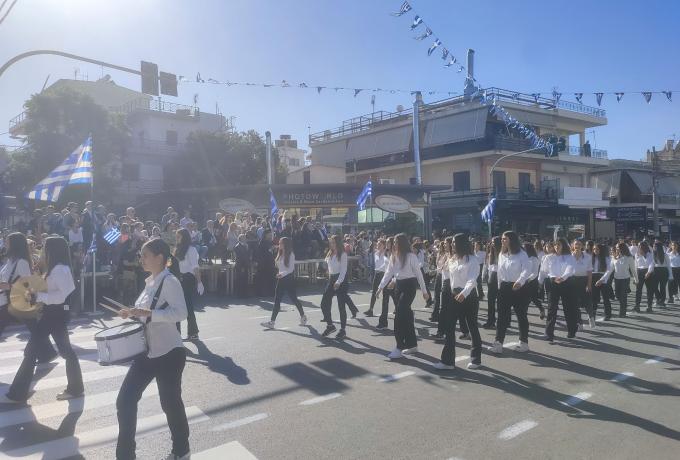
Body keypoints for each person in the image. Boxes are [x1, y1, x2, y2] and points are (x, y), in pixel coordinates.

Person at [115, 238, 190, 460]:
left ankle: (181, 450)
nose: (141, 258)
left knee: (170, 403)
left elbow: (181, 313)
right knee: (125, 400)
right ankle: (125, 455)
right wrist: (131, 313)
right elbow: (144, 313)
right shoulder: (150, 281)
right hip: (147, 353)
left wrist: (149, 314)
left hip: (169, 354)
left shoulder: (170, 281)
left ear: (159, 258)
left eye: (145, 255)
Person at [3, 236, 83, 403]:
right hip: (52, 315)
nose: (41, 250)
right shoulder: (55, 268)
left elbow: (61, 296)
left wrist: (39, 295)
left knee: (32, 352)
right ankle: (76, 389)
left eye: (45, 247)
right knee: (66, 351)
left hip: (55, 314)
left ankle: (18, 394)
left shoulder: (61, 269)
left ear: (52, 250)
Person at [433, 233, 482, 370]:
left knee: (472, 326)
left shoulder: (472, 260)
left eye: (454, 242)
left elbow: (472, 280)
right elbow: (447, 278)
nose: (452, 244)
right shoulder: (452, 259)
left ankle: (476, 358)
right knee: (449, 327)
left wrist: (464, 293)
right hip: (454, 296)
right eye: (452, 242)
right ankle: (448, 362)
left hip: (469, 296)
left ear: (462, 244)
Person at [377, 233, 429, 359]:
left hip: (409, 287)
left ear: (401, 243)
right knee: (406, 317)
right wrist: (380, 287)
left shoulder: (411, 256)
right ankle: (412, 345)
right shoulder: (394, 256)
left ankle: (399, 346)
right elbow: (389, 273)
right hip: (399, 287)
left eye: (395, 242)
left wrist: (424, 291)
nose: (393, 244)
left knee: (399, 315)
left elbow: (418, 274)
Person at [488, 231, 531, 354]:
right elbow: (500, 273)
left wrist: (520, 281)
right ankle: (498, 343)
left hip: (519, 288)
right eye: (502, 239)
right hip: (504, 287)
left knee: (521, 315)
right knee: (501, 316)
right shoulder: (502, 254)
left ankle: (524, 342)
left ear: (511, 240)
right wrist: (499, 286)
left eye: (504, 239)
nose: (502, 241)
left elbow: (526, 270)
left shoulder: (522, 254)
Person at [261, 237, 306, 328]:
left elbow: (290, 269)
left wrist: (281, 274)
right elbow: (278, 265)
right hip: (281, 279)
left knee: (294, 299)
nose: (279, 244)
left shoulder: (291, 254)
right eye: (279, 243)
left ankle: (303, 316)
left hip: (289, 279)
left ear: (286, 244)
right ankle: (272, 322)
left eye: (281, 243)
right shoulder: (280, 253)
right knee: (277, 300)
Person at [0, 233, 36, 339]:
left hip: (14, 302)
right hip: (6, 301)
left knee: (35, 328)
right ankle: (45, 352)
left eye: (7, 242)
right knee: (35, 329)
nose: (4, 244)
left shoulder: (21, 262)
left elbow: (28, 286)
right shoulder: (10, 261)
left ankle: (44, 352)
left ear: (14, 244)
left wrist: (9, 286)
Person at [542, 238, 578, 342]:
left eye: (559, 244)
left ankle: (572, 331)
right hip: (553, 283)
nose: (557, 246)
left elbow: (570, 268)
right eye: (555, 244)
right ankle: (549, 334)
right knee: (551, 308)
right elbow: (545, 270)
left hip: (566, 283)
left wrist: (563, 277)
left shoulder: (569, 257)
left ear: (563, 246)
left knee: (568, 308)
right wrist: (553, 277)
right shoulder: (548, 257)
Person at [174, 228, 204, 340]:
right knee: (175, 306)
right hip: (177, 278)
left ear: (184, 237)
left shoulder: (191, 250)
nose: (177, 238)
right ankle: (176, 334)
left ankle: (193, 332)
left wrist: (199, 282)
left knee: (187, 306)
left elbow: (195, 267)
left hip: (187, 278)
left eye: (179, 236)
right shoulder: (177, 249)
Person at [320, 235, 349, 339]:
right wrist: (328, 271)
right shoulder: (330, 253)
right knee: (324, 303)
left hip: (340, 280)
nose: (331, 244)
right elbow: (328, 266)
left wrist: (339, 281)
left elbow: (343, 270)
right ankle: (330, 325)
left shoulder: (343, 254)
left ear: (337, 243)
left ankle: (343, 330)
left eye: (332, 242)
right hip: (331, 279)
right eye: (330, 242)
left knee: (341, 306)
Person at [599, 243, 636, 318]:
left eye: (618, 248)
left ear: (623, 248)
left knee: (623, 296)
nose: (617, 249)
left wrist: (636, 279)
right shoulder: (614, 258)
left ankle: (622, 312)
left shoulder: (629, 257)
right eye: (616, 248)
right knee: (618, 296)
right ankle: (624, 304)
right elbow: (609, 270)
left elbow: (633, 270)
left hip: (625, 279)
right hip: (617, 279)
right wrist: (601, 279)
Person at [572, 239, 593, 330]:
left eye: (579, 244)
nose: (577, 246)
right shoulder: (569, 256)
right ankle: (579, 322)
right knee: (575, 303)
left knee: (586, 301)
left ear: (582, 246)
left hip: (584, 280)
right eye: (576, 244)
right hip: (573, 280)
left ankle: (591, 317)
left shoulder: (587, 257)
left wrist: (589, 284)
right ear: (573, 246)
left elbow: (589, 271)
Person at [364, 238, 388, 318]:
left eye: (379, 244)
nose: (377, 245)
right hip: (377, 274)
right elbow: (376, 265)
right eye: (377, 244)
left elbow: (387, 266)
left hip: (384, 274)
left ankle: (397, 309)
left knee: (388, 293)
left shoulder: (386, 254)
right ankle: (370, 310)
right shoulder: (376, 253)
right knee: (374, 291)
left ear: (384, 246)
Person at [482, 237, 501, 329]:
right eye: (491, 242)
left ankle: (504, 321)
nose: (492, 244)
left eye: (493, 242)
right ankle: (491, 321)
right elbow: (488, 267)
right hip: (492, 278)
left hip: (500, 278)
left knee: (501, 302)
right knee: (490, 301)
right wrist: (485, 276)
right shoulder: (491, 254)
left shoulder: (502, 254)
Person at [591, 243, 612, 320]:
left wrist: (601, 280)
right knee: (594, 298)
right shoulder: (592, 258)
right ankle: (593, 315)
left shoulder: (607, 258)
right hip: (593, 277)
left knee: (605, 298)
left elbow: (609, 271)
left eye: (597, 249)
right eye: (594, 249)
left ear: (601, 250)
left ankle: (608, 314)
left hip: (603, 278)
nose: (595, 251)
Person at [634, 241, 655, 313]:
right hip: (639, 272)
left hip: (648, 272)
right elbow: (635, 265)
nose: (639, 247)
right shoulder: (636, 254)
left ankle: (649, 306)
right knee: (638, 290)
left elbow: (651, 264)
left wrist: (648, 272)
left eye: (640, 246)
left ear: (644, 247)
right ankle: (637, 306)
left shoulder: (650, 254)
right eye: (638, 246)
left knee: (649, 290)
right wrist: (635, 276)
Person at [254, 229, 276, 297]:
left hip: (270, 262)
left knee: (271, 277)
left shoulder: (270, 241)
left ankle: (270, 292)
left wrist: (274, 249)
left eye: (271, 234)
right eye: (269, 234)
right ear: (266, 235)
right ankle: (260, 293)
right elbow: (262, 252)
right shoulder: (262, 242)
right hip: (264, 263)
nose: (271, 235)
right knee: (262, 278)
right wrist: (270, 249)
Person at [652, 242, 672, 308]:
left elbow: (669, 265)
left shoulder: (665, 255)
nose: (653, 247)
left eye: (654, 246)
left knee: (662, 287)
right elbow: (651, 264)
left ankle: (662, 301)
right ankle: (659, 299)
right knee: (654, 286)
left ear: (658, 247)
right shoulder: (653, 254)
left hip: (664, 271)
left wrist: (670, 275)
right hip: (656, 271)